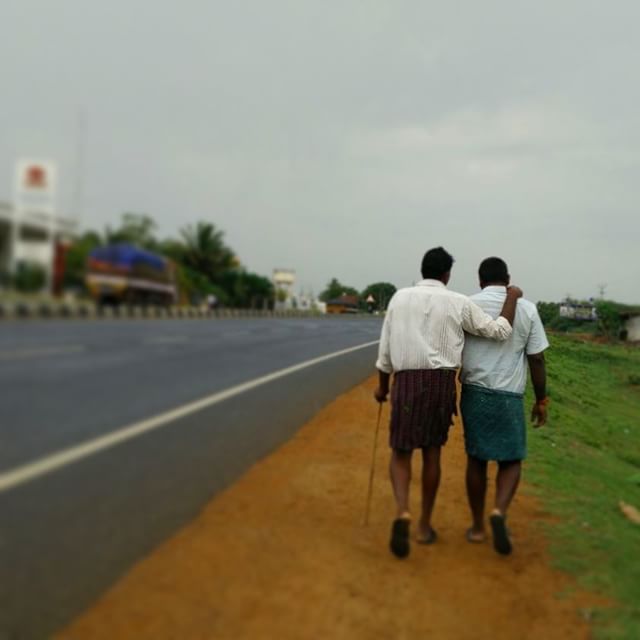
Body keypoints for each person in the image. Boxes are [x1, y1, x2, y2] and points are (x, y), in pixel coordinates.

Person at [374, 247, 523, 558]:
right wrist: (512, 298)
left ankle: (403, 510)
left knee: (401, 452)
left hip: (405, 383)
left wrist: (382, 388)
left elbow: (385, 351)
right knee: (431, 454)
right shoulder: (458, 302)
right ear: (447, 275)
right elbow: (499, 331)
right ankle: (425, 526)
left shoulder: (399, 299)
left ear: (423, 269)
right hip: (440, 384)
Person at [460, 257, 549, 555]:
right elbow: (536, 358)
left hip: (474, 391)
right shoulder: (527, 308)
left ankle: (476, 527)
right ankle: (499, 511)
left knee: (476, 458)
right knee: (511, 460)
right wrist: (541, 399)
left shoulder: (467, 304)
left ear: (480, 280)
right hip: (510, 395)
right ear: (508, 278)